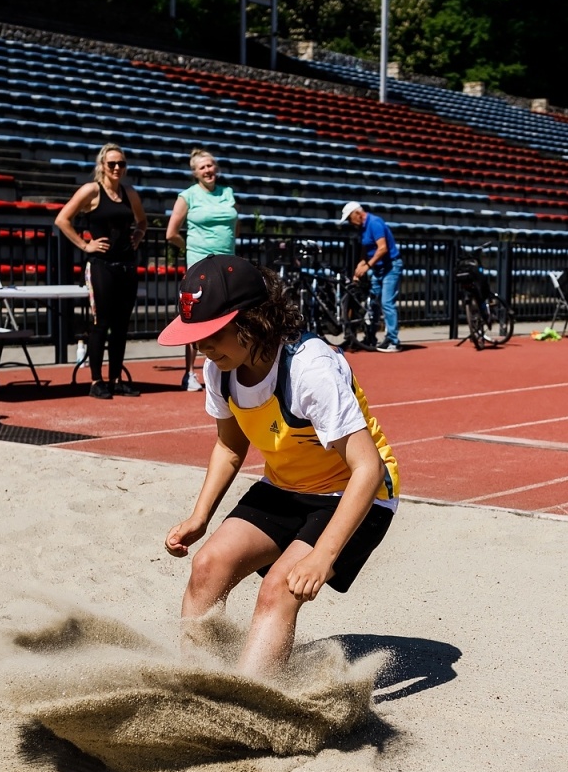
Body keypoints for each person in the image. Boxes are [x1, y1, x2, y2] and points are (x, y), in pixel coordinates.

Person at [159, 255, 400, 677]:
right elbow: (230, 446)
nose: (203, 347)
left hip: (355, 492)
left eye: (212, 334)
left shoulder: (309, 367)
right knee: (207, 565)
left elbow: (369, 468)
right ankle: (197, 684)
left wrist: (323, 556)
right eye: (196, 337)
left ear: (253, 320)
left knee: (278, 589)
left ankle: (254, 699)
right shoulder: (220, 370)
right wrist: (200, 517)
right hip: (287, 486)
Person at [55, 143, 148, 400]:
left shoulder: (129, 192)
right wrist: (85, 245)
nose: (117, 168)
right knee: (101, 323)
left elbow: (142, 220)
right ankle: (96, 381)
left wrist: (138, 235)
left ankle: (116, 379)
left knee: (121, 326)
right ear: (102, 166)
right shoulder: (91, 190)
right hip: (101, 266)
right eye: (112, 164)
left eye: (121, 163)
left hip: (126, 265)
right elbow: (62, 219)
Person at [165, 148, 238, 392]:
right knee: (196, 317)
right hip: (200, 264)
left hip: (227, 264)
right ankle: (189, 373)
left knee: (230, 315)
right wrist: (191, 248)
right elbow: (171, 233)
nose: (208, 170)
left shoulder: (227, 192)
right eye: (202, 167)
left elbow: (234, 226)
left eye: (210, 165)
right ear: (195, 173)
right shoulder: (188, 196)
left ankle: (230, 368)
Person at [340, 202, 403, 352]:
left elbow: (382, 248)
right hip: (378, 268)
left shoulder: (374, 223)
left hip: (390, 267)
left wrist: (367, 266)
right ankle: (370, 337)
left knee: (386, 302)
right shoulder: (363, 228)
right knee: (373, 303)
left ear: (357, 214)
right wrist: (360, 266)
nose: (350, 222)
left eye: (349, 218)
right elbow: (365, 250)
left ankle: (393, 341)